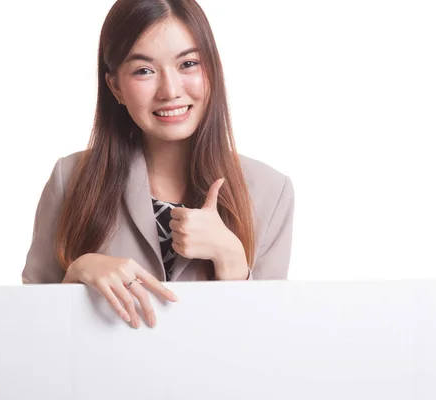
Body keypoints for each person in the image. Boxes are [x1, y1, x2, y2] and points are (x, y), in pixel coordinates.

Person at [22, 0, 295, 329]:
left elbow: (270, 346)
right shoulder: (71, 179)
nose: (170, 91)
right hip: (105, 381)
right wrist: (75, 276)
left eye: (188, 64)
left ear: (212, 69)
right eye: (144, 70)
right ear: (116, 87)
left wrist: (231, 261)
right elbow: (31, 332)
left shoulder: (271, 191)